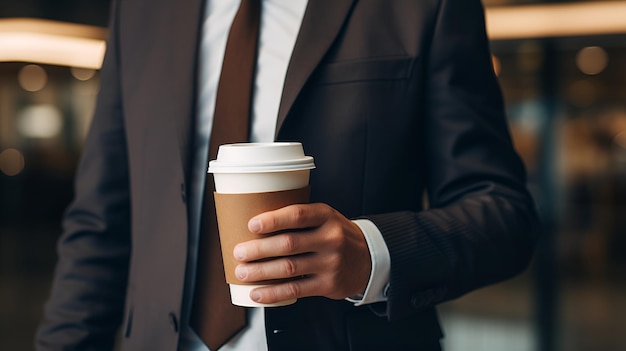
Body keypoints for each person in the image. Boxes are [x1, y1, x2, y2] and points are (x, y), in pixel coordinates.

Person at [36, 0, 539, 350]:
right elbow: (100, 224)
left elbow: (503, 212)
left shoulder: (425, 5)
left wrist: (371, 255)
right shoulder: (141, 11)